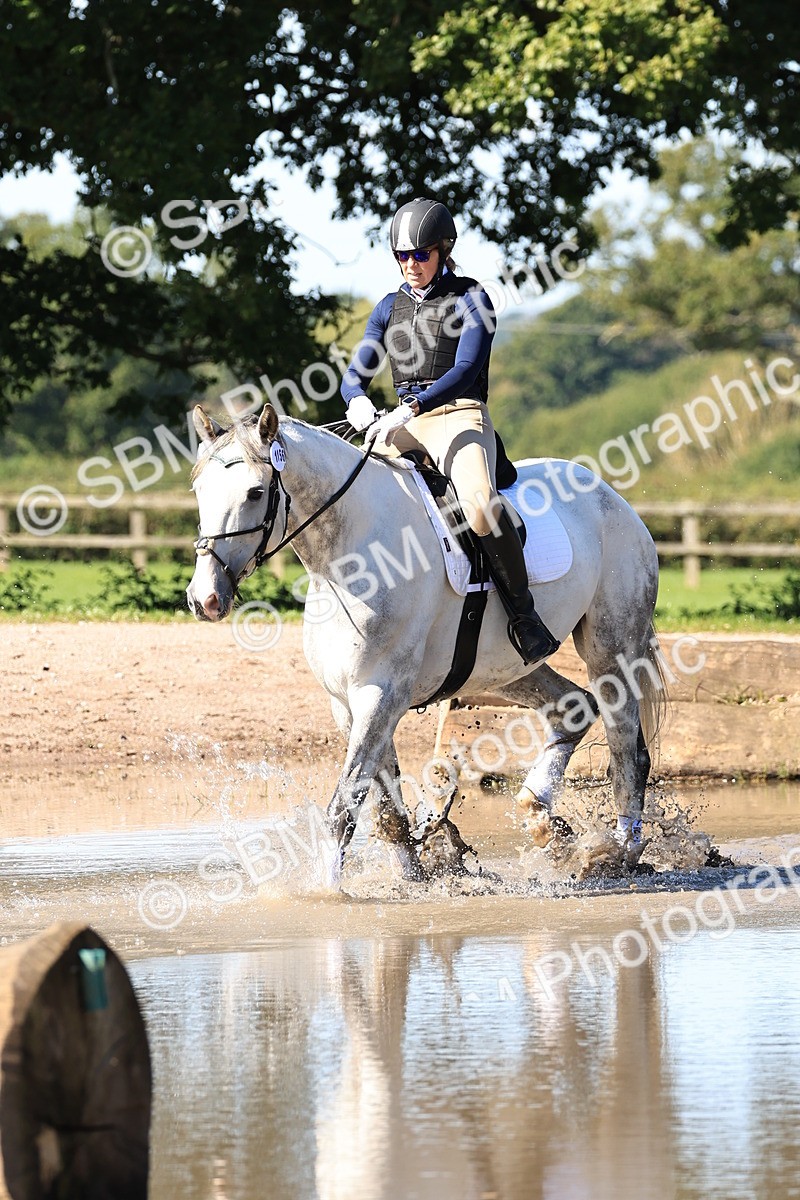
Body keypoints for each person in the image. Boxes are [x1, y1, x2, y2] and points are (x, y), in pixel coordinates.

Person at [340, 196, 559, 665]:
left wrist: (414, 404)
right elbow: (355, 372)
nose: (411, 264)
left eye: (421, 254)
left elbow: (465, 369)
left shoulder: (471, 298)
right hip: (404, 422)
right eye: (402, 256)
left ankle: (525, 618)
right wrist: (356, 399)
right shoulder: (387, 307)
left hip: (459, 414)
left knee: (479, 507)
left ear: (443, 249)